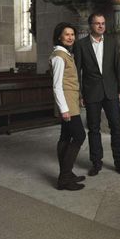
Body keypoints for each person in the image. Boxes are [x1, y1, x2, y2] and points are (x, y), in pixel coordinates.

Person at [74, 13, 120, 177]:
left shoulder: (112, 42)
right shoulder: (81, 45)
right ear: (91, 25)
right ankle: (96, 163)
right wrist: (80, 94)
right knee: (94, 129)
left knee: (116, 128)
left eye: (103, 23)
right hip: (91, 92)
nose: (100, 26)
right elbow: (77, 71)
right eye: (97, 23)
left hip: (111, 91)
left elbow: (118, 67)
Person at [50, 22, 87, 191]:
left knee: (65, 136)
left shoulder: (66, 54)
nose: (70, 37)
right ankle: (64, 178)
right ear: (60, 36)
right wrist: (64, 109)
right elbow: (57, 85)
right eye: (67, 34)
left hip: (70, 100)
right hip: (66, 103)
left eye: (72, 34)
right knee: (79, 135)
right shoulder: (59, 56)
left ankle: (66, 173)